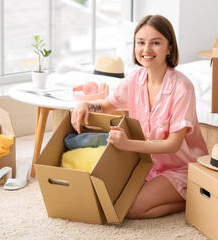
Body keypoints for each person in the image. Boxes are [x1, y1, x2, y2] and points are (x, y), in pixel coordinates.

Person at [71, 15, 208, 219]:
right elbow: (107, 105)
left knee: (132, 208)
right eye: (140, 43)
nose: (146, 50)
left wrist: (128, 144)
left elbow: (172, 145)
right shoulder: (135, 79)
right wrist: (85, 105)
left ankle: (194, 197)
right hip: (147, 163)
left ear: (169, 47)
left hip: (182, 167)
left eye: (156, 43)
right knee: (113, 197)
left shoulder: (182, 88)